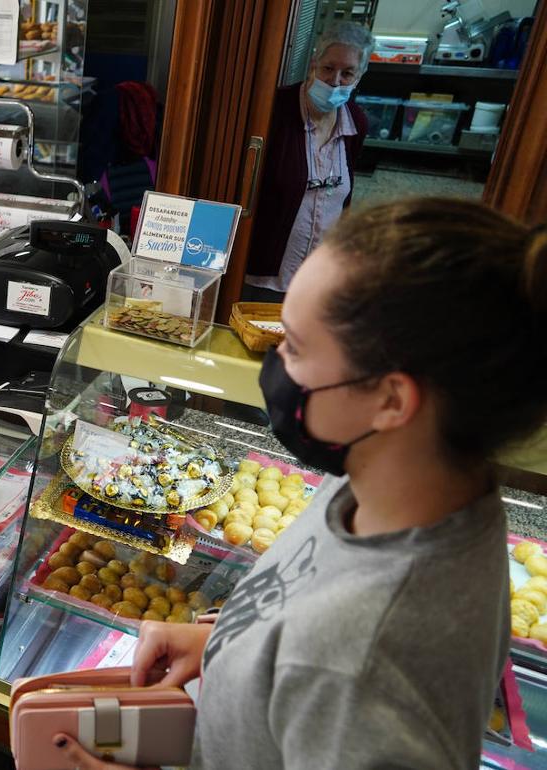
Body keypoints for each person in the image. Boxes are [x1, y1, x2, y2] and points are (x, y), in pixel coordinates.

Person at [53, 198, 547, 769]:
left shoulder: (363, 666)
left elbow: (335, 670)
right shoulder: (383, 487)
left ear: (390, 400)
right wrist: (235, 645)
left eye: (295, 346)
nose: (275, 365)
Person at [243, 22, 372, 302]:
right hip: (263, 276)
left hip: (318, 279)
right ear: (314, 64)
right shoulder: (274, 111)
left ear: (360, 76)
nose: (335, 81)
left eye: (348, 73)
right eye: (328, 68)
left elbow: (344, 197)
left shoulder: (356, 122)